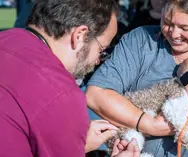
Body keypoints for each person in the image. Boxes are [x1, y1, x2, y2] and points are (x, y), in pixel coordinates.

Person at [86, 0, 188, 156]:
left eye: (185, 27)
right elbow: (96, 94)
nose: (174, 34)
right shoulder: (140, 41)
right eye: (167, 22)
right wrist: (150, 125)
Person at [0, 0, 140, 156]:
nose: (98, 60)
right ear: (80, 35)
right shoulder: (63, 95)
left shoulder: (6, 37)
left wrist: (72, 142)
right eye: (101, 49)